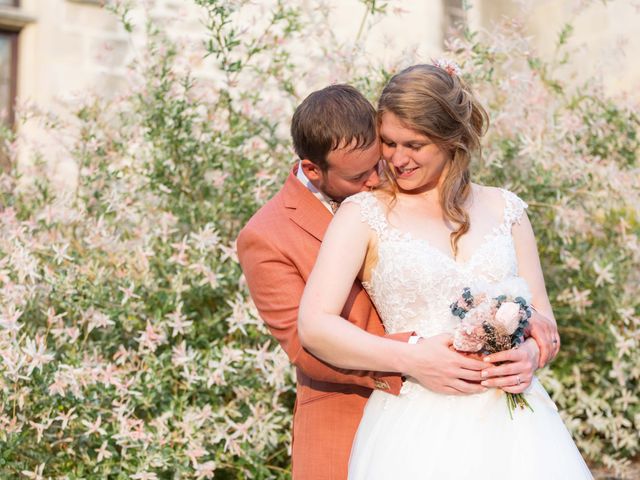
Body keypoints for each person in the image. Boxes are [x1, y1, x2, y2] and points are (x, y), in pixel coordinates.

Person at [238, 83, 560, 479]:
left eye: (384, 153)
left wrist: (528, 348)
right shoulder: (271, 235)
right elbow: (306, 343)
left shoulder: (499, 208)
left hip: (503, 421)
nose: (381, 175)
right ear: (313, 170)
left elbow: (541, 318)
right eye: (363, 172)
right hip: (366, 414)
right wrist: (416, 356)